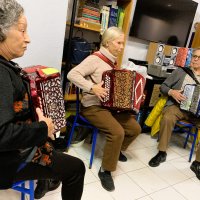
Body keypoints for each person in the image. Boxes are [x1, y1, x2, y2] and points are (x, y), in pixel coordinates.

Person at [0, 1, 85, 200]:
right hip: (7, 161)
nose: (28, 38)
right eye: (22, 30)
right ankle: (47, 177)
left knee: (52, 144)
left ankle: (47, 179)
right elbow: (2, 135)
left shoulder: (7, 67)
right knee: (76, 168)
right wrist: (42, 128)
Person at [67, 27, 141, 192]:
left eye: (123, 43)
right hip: (93, 107)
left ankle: (117, 150)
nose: (122, 46)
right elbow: (72, 74)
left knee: (135, 128)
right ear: (108, 43)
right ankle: (105, 170)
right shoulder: (95, 58)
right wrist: (92, 87)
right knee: (118, 133)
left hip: (109, 107)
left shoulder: (113, 61)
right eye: (119, 42)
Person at [148, 48, 200, 172]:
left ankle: (197, 163)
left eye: (199, 58)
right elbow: (163, 87)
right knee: (167, 117)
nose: (196, 59)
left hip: (196, 113)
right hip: (177, 107)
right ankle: (161, 152)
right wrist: (172, 92)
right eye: (194, 56)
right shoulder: (181, 71)